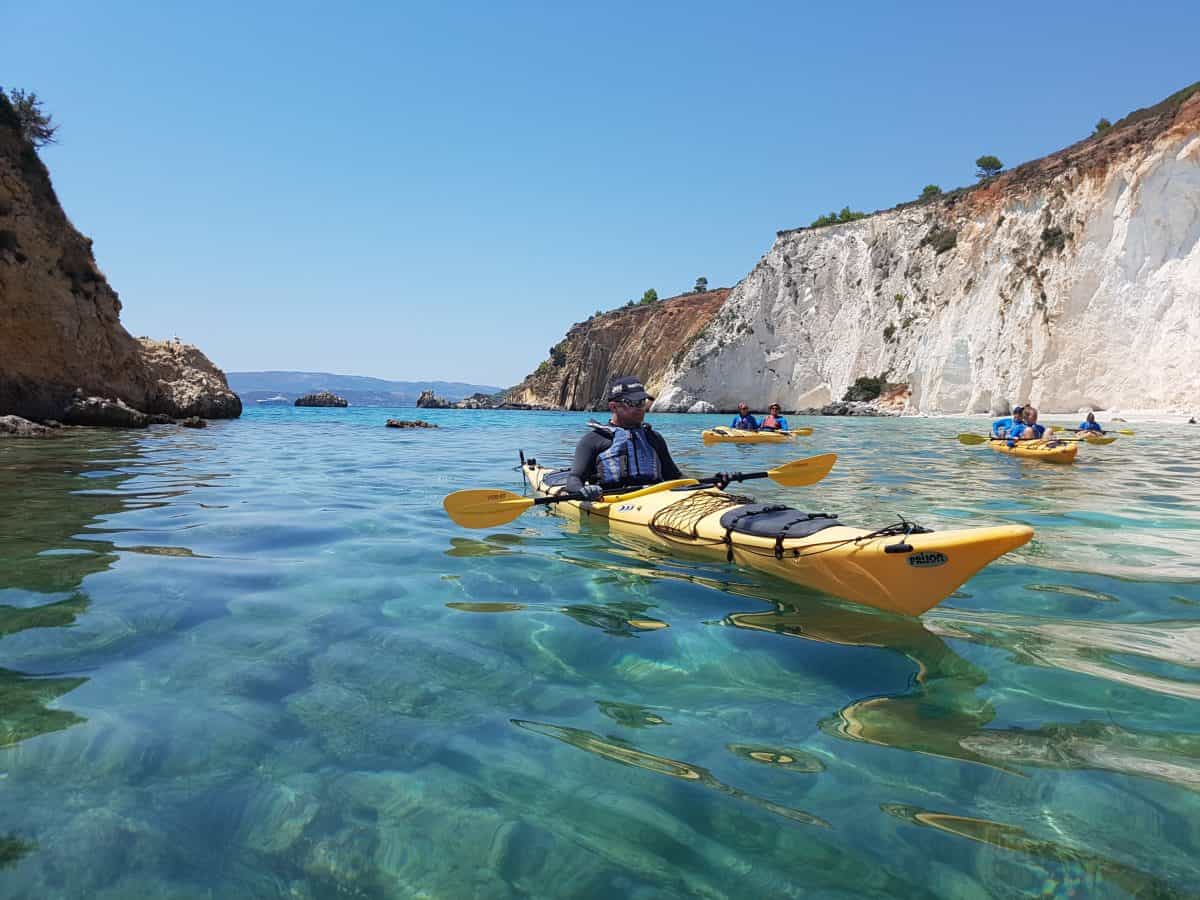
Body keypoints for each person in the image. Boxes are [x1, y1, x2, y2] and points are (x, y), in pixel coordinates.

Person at [563, 375, 686, 499]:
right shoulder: (593, 440)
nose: (640, 408)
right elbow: (574, 479)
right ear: (613, 407)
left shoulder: (654, 438)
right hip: (613, 501)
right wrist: (583, 490)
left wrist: (696, 485)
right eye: (632, 403)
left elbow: (674, 476)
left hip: (653, 499)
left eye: (642, 402)